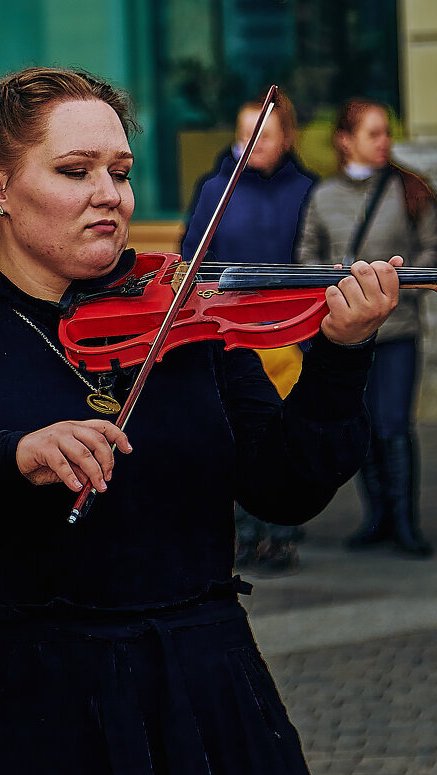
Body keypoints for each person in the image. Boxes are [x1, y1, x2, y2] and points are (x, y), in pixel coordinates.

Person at [0, 67, 400, 775]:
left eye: (120, 172)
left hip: (211, 687)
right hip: (38, 713)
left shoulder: (186, 328)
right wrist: (9, 457)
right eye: (74, 171)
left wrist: (342, 358)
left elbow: (287, 487)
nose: (109, 195)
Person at [297, 98, 437, 558]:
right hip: (347, 334)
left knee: (394, 423)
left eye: (386, 133)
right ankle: (376, 517)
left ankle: (405, 522)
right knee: (360, 423)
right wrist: (332, 282)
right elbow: (305, 258)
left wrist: (395, 285)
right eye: (373, 134)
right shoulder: (323, 196)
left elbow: (433, 253)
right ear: (346, 141)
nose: (385, 142)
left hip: (398, 329)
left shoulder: (411, 190)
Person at [181, 90, 317, 572]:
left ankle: (281, 531)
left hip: (287, 329)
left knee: (280, 427)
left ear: (286, 138)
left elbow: (314, 261)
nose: (252, 142)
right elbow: (193, 256)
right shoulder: (215, 189)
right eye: (245, 133)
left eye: (263, 133)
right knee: (233, 427)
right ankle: (241, 528)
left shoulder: (306, 189)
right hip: (231, 328)